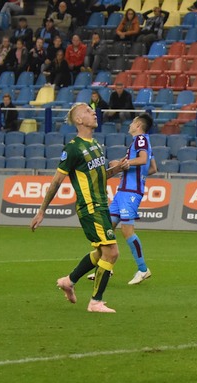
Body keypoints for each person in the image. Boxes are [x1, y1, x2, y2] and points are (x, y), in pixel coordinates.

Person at [30, 103, 128, 313]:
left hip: (102, 204)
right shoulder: (73, 148)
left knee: (101, 251)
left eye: (92, 111)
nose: (93, 113)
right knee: (112, 252)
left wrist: (117, 168)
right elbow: (56, 181)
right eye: (87, 111)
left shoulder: (97, 146)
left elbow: (101, 176)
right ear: (79, 121)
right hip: (89, 206)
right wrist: (41, 210)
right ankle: (95, 302)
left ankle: (69, 281)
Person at [109, 113, 156, 285]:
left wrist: (127, 165)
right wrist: (130, 170)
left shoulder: (141, 139)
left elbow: (143, 160)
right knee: (107, 228)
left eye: (132, 122)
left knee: (127, 231)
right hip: (123, 191)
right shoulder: (142, 142)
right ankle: (106, 266)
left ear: (137, 125)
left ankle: (143, 269)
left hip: (130, 192)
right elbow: (153, 168)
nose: (130, 124)